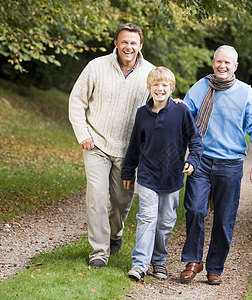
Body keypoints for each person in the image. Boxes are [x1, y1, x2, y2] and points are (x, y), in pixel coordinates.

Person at [68, 23, 155, 269]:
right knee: (96, 197)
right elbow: (77, 101)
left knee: (120, 200)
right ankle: (99, 251)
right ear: (116, 43)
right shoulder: (96, 67)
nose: (129, 47)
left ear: (140, 46)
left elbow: (158, 105)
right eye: (124, 42)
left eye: (133, 43)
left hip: (128, 150)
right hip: (96, 143)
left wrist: (173, 105)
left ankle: (114, 234)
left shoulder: (149, 73)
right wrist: (83, 134)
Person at [179, 45, 252, 285]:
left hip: (230, 164)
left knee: (224, 218)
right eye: (219, 61)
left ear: (235, 66)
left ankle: (215, 266)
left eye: (227, 63)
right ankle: (193, 261)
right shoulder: (201, 87)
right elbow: (185, 116)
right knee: (195, 209)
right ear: (213, 62)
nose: (222, 66)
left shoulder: (246, 92)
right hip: (201, 160)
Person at [121, 67, 203, 281]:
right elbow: (134, 146)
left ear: (171, 88)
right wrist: (128, 171)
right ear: (149, 88)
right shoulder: (142, 114)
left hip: (173, 177)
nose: (160, 89)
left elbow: (195, 141)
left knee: (166, 222)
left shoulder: (181, 111)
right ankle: (140, 264)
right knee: (147, 218)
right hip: (148, 176)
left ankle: (158, 261)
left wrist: (192, 160)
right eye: (156, 85)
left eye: (164, 85)